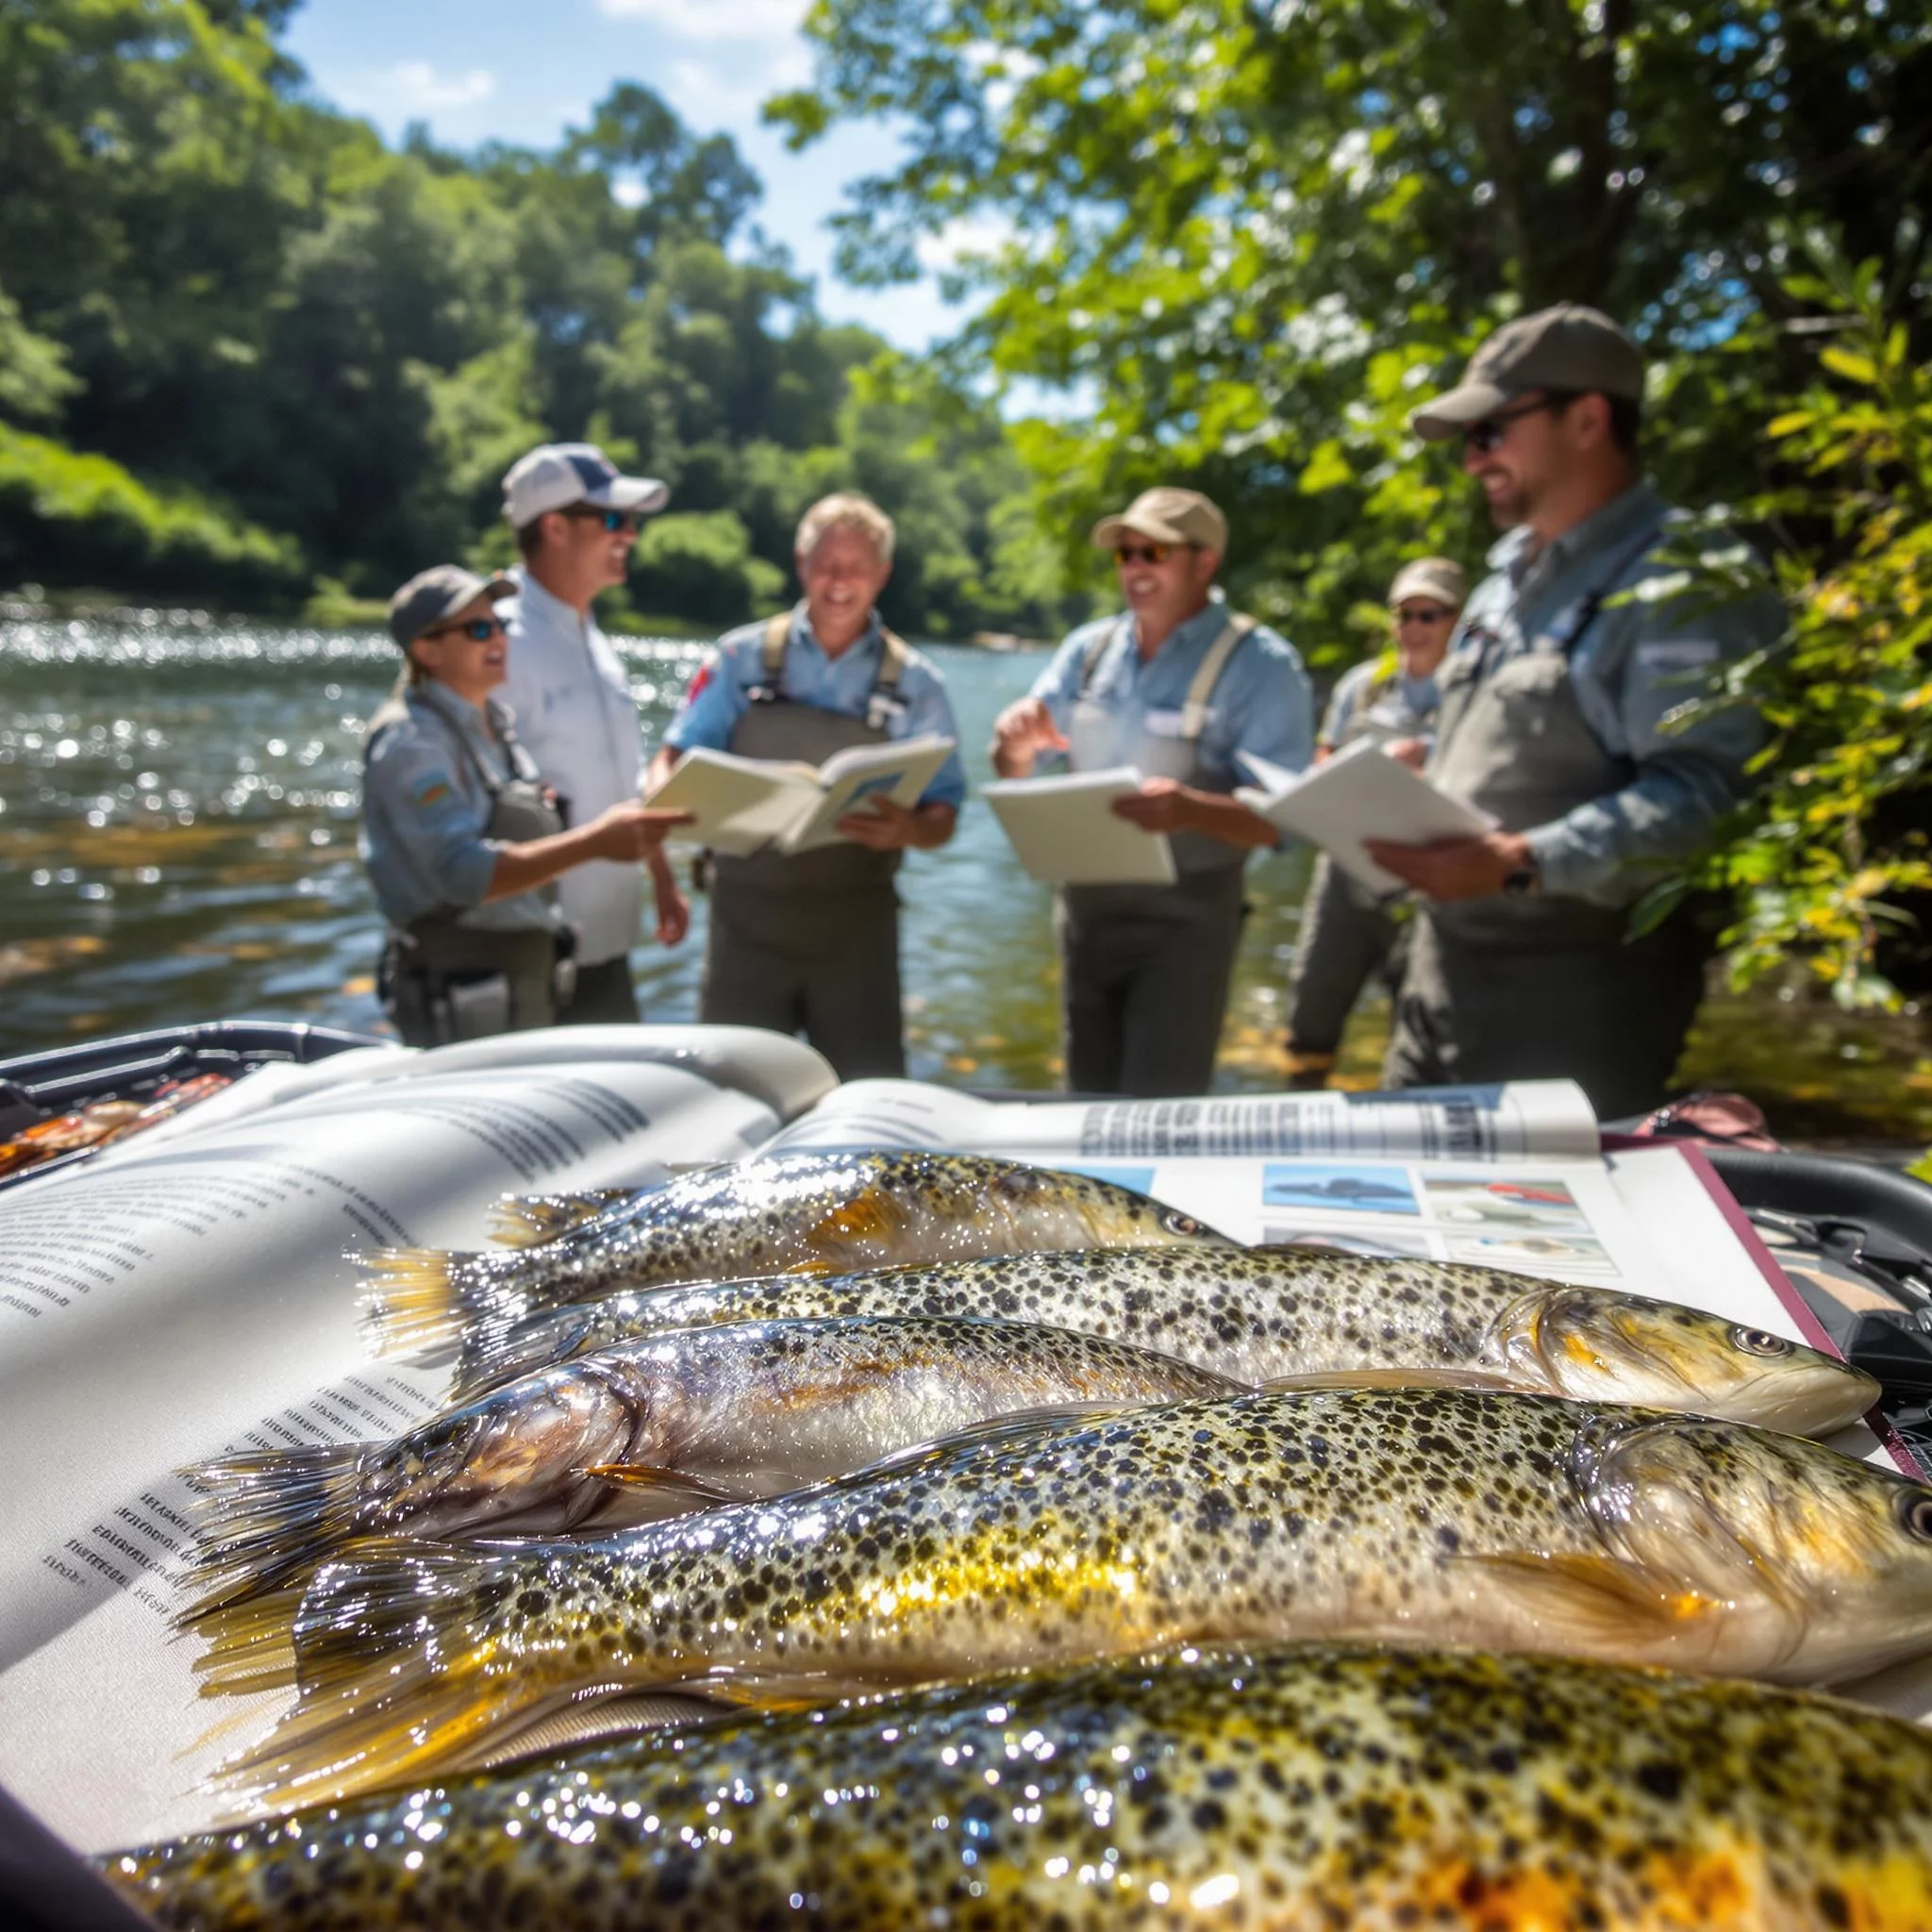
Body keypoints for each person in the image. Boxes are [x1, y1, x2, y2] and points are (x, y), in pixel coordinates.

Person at [1363, 303, 1779, 1118]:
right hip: (1437, 980)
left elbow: (1709, 799)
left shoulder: (1687, 576)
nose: (1472, 461)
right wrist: (1420, 764)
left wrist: (1523, 859)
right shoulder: (1496, 583)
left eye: (1491, 433)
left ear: (1588, 419)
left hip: (1573, 1005)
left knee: (1527, 1243)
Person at [991, 487, 1314, 1097]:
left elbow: (1288, 823)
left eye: (1154, 552)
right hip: (1084, 915)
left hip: (1187, 924)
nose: (1135, 567)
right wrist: (1013, 741)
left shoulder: (1263, 665)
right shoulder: (1088, 650)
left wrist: (1190, 809)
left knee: (1157, 1113)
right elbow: (1012, 766)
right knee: (1080, 1108)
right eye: (1126, 553)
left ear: (1205, 562)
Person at [647, 493, 967, 1079]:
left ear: (883, 575)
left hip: (857, 935)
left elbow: (946, 811)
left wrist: (911, 828)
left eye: (857, 567)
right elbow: (671, 756)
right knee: (729, 1097)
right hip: (743, 924)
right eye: (826, 563)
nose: (839, 580)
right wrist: (667, 807)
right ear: (800, 563)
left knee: (864, 1105)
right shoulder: (738, 657)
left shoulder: (919, 683)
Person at [360, 565, 690, 1046]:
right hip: (463, 991)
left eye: (499, 624)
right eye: (476, 629)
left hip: (521, 975)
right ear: (427, 650)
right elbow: (463, 873)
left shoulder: (495, 719)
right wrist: (595, 842)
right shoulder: (411, 742)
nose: (497, 637)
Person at [496, 441, 689, 1025]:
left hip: (608, 945)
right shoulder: (497, 641)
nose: (629, 534)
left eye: (630, 521)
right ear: (553, 527)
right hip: (529, 955)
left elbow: (620, 780)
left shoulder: (592, 635)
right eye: (613, 519)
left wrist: (661, 875)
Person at [1281, 556, 1465, 1088]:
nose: (1413, 627)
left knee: (1413, 1015)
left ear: (1460, 621)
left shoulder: (1472, 693)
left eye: (1430, 615)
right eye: (1403, 614)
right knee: (1311, 1006)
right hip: (1343, 870)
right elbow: (1323, 760)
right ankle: (1298, 1112)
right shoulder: (1361, 687)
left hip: (1422, 882)